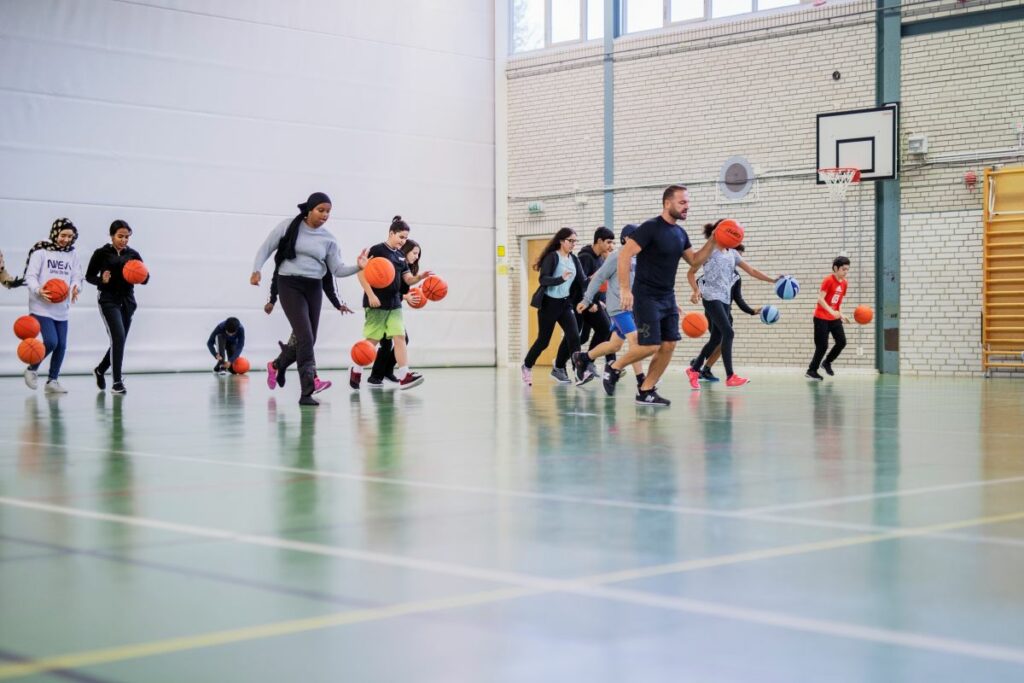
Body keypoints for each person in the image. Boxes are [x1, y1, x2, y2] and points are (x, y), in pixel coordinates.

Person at [602, 185, 716, 406]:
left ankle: (646, 390)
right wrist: (625, 289)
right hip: (646, 296)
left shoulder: (680, 234)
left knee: (669, 345)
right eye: (682, 202)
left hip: (667, 297)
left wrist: (713, 240)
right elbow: (625, 254)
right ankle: (614, 367)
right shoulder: (650, 228)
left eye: (688, 203)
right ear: (667, 203)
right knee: (650, 345)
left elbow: (694, 260)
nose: (687, 206)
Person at [251, 192, 367, 406]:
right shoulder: (289, 226)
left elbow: (337, 270)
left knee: (308, 339)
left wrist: (358, 267)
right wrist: (256, 270)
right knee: (305, 336)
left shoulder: (329, 239)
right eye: (321, 210)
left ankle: (276, 365)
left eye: (328, 212)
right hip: (289, 284)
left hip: (313, 287)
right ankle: (308, 388)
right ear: (310, 210)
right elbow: (266, 248)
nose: (325, 215)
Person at [687, 223, 781, 390]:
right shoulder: (709, 251)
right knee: (729, 332)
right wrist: (696, 290)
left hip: (724, 299)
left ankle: (694, 370)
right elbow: (691, 272)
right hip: (710, 297)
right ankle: (730, 376)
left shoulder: (733, 254)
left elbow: (752, 271)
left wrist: (773, 280)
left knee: (716, 339)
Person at [351, 217, 433, 391]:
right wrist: (371, 295)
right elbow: (361, 273)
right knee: (372, 341)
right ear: (391, 233)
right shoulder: (377, 250)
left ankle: (404, 376)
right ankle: (356, 368)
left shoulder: (401, 256)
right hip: (376, 304)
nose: (403, 241)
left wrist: (420, 277)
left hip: (395, 304)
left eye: (405, 238)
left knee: (400, 336)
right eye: (401, 237)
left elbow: (408, 279)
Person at [572, 225, 647, 390]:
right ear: (626, 238)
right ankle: (642, 381)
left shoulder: (639, 257)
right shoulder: (616, 257)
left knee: (614, 345)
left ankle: (583, 357)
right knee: (635, 341)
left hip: (633, 308)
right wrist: (587, 300)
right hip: (619, 308)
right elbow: (598, 278)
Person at [86, 219, 149, 395]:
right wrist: (101, 280)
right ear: (112, 236)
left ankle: (100, 370)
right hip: (108, 300)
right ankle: (117, 382)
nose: (124, 240)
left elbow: (146, 278)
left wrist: (141, 276)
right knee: (118, 338)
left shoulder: (133, 254)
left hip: (128, 301)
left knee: (119, 341)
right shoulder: (101, 253)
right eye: (120, 236)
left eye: (127, 237)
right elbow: (89, 276)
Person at [265, 268, 354, 393]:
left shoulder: (321, 257)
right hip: (293, 295)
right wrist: (272, 299)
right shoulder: (290, 258)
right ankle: (313, 380)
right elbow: (278, 271)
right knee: (305, 340)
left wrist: (338, 303)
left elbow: (327, 278)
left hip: (311, 297)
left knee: (304, 342)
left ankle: (276, 365)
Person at [20, 218, 83, 393]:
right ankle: (32, 369)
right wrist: (38, 290)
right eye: (63, 235)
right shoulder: (41, 251)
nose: (66, 239)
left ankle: (52, 381)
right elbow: (30, 276)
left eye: (70, 236)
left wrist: (76, 288)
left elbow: (77, 276)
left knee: (61, 345)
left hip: (61, 307)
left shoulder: (72, 254)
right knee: (51, 341)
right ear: (55, 233)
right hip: (40, 305)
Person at [520, 227, 586, 386]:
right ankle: (527, 366)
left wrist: (594, 286)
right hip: (549, 304)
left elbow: (582, 281)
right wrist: (560, 279)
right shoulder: (552, 257)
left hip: (565, 303)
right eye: (570, 241)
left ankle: (579, 372)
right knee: (544, 341)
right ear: (561, 241)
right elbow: (543, 279)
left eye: (575, 241)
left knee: (574, 336)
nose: (573, 244)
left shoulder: (574, 259)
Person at [690, 244, 760, 382]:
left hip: (726, 311)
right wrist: (697, 292)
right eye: (737, 254)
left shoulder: (736, 277)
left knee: (719, 340)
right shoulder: (715, 268)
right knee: (724, 337)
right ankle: (707, 368)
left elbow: (738, 298)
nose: (738, 258)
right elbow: (699, 280)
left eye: (740, 256)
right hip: (713, 311)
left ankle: (700, 366)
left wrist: (751, 311)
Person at [557, 227, 615, 375]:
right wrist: (591, 302)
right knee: (576, 336)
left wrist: (599, 300)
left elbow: (598, 283)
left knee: (595, 332)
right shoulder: (585, 258)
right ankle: (560, 366)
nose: (611, 246)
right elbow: (581, 283)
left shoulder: (600, 258)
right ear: (599, 241)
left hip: (590, 302)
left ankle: (586, 361)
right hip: (578, 302)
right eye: (609, 242)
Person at [368, 239, 423, 388]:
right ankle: (375, 375)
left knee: (396, 341)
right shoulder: (391, 265)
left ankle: (385, 372)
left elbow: (400, 290)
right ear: (405, 251)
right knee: (387, 343)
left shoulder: (406, 269)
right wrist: (405, 297)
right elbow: (388, 290)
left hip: (393, 307)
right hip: (381, 307)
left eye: (418, 254)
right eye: (414, 253)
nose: (416, 257)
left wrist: (418, 292)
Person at [806, 256, 852, 381]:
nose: (846, 272)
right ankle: (812, 371)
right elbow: (820, 300)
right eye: (843, 269)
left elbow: (838, 302)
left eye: (847, 269)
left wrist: (841, 314)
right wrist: (831, 311)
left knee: (841, 342)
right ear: (836, 268)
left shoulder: (845, 283)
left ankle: (827, 362)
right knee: (822, 346)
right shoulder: (828, 280)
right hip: (821, 318)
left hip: (834, 318)